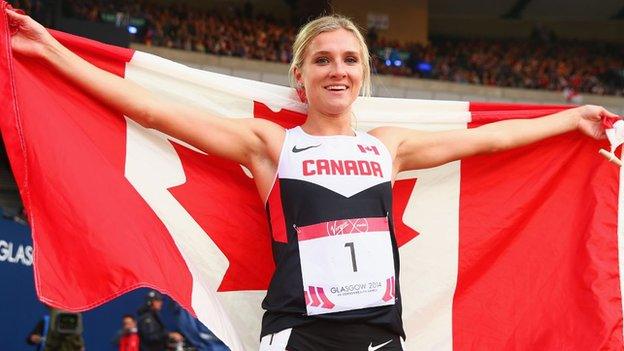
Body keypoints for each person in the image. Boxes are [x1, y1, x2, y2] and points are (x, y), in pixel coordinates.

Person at [6, 9, 618, 351]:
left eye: (350, 60)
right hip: (299, 337)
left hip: (379, 339)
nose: (337, 69)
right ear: (300, 79)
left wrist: (568, 118)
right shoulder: (272, 145)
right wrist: (55, 55)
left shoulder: (388, 149)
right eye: (322, 59)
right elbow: (156, 112)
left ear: (363, 77)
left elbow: (489, 139)